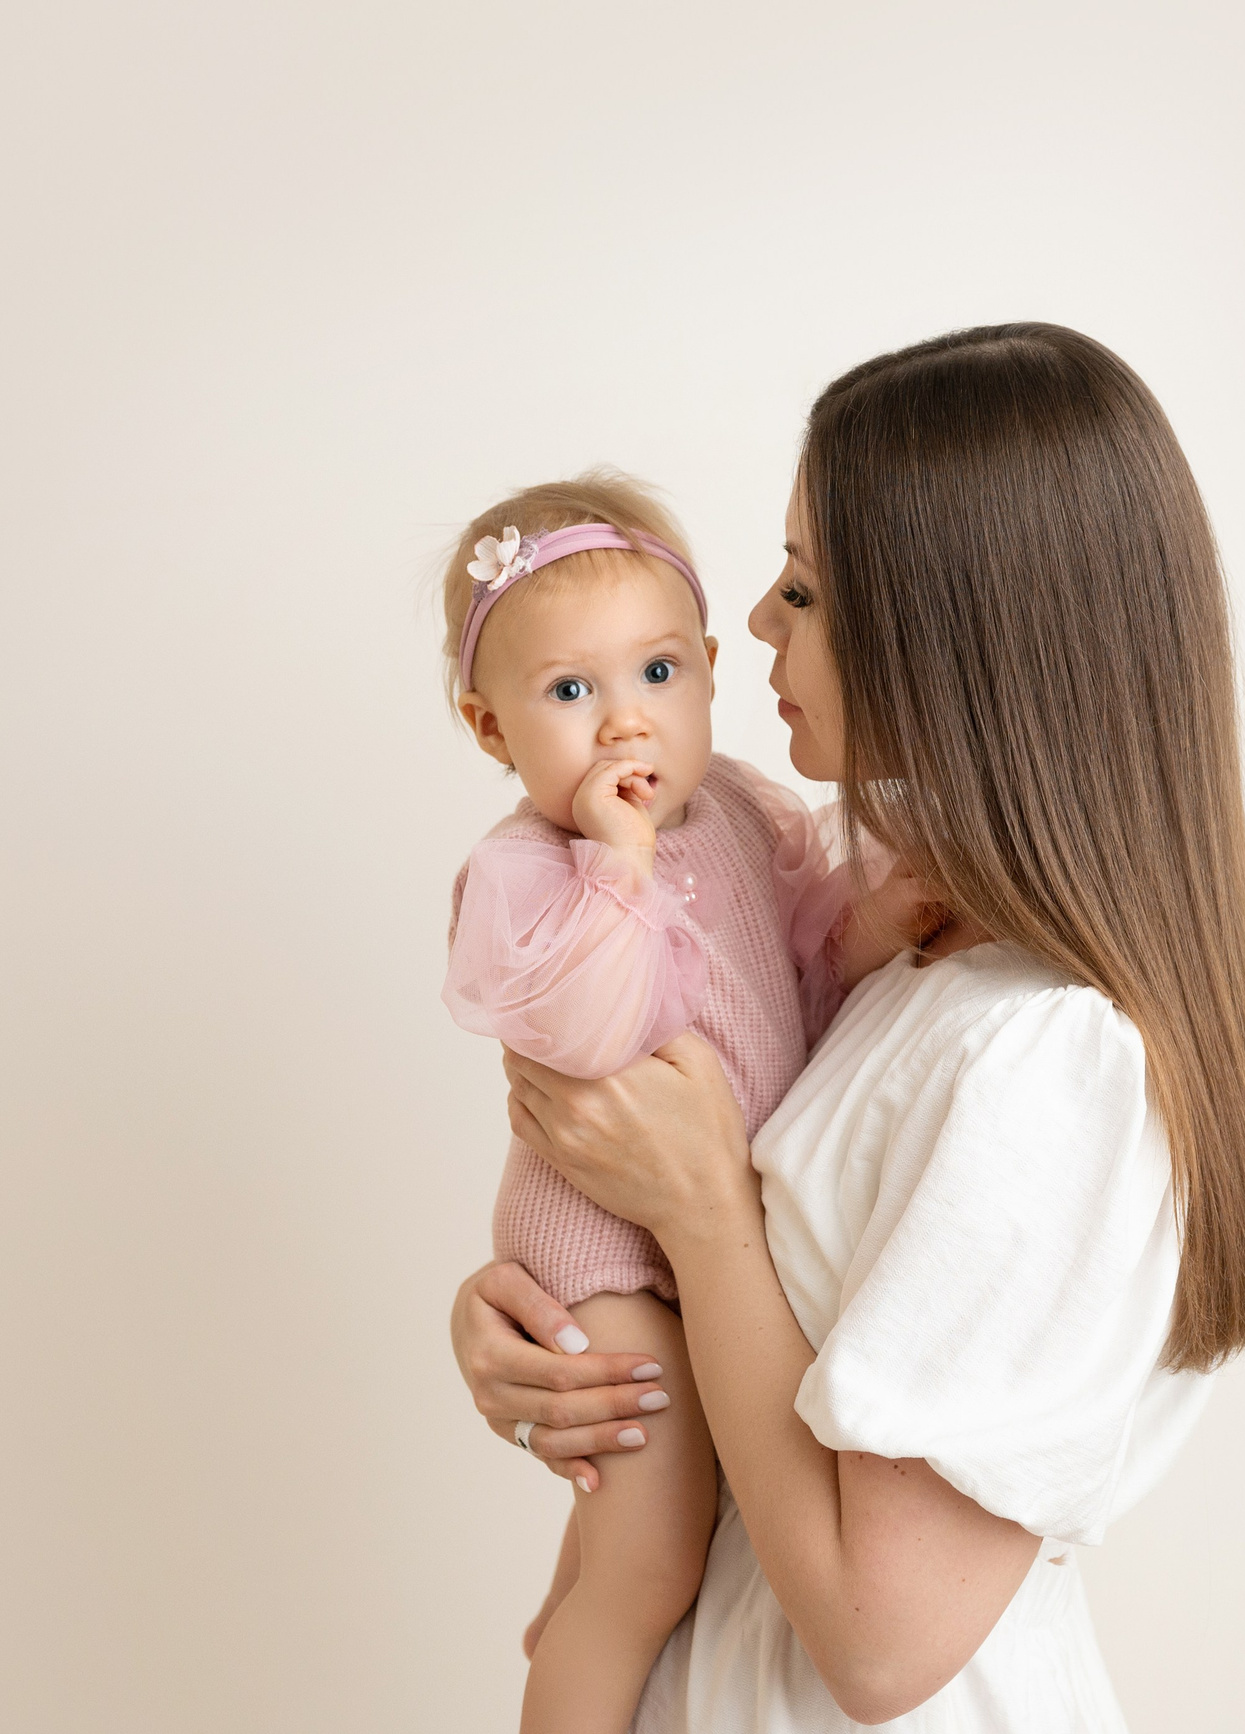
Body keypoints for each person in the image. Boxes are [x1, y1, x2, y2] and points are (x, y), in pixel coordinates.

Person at [450, 324, 1245, 1730]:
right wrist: (545, 1329)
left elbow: (878, 1641)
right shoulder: (911, 957)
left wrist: (700, 1215)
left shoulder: (1050, 1058)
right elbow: (783, 1337)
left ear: (951, 631)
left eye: (805, 584)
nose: (755, 624)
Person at [438, 473, 916, 1732]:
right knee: (647, 1568)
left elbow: (806, 955)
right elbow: (590, 1033)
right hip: (606, 1251)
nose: (622, 728)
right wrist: (619, 860)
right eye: (567, 694)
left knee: (648, 1535)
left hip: (703, 1235)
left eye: (654, 675)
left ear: (706, 669)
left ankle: (568, 1633)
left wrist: (888, 918)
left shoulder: (750, 811)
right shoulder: (528, 872)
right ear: (493, 731)